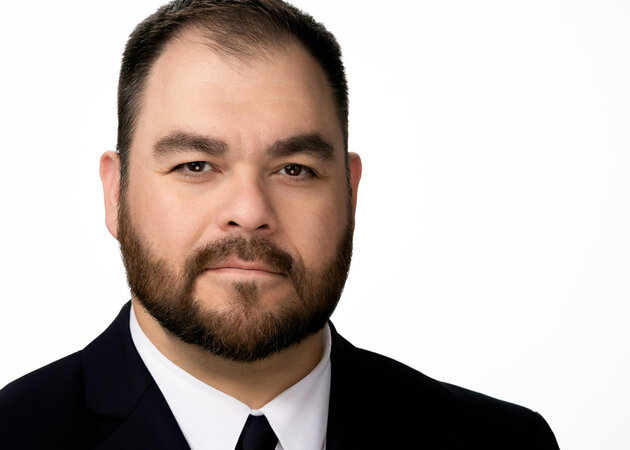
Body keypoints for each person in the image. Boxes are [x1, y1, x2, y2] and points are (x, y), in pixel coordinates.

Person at [0, 1, 560, 449]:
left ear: (350, 192)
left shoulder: (502, 442)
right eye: (195, 165)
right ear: (116, 193)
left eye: (294, 169)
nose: (250, 211)